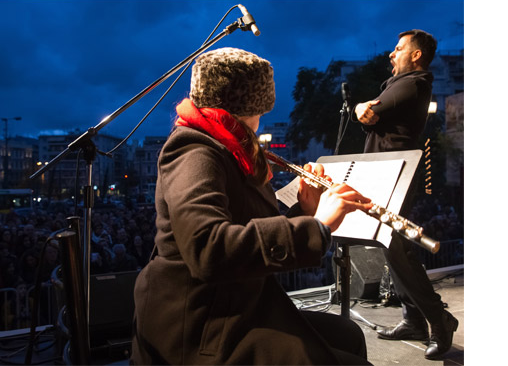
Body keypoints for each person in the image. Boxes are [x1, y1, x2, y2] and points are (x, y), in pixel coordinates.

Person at [131, 47, 374, 365]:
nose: (260, 124)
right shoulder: (193, 149)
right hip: (200, 321)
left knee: (348, 334)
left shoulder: (229, 149)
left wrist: (306, 210)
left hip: (237, 303)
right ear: (250, 107)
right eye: (261, 112)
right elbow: (208, 248)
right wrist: (318, 226)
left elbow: (248, 225)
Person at [354, 29, 458, 360]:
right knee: (390, 245)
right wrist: (362, 109)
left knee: (397, 246)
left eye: (399, 48)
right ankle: (413, 320)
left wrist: (361, 107)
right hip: (386, 171)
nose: (391, 53)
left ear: (415, 54)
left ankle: (438, 318)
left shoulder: (413, 83)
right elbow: (369, 113)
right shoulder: (399, 84)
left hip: (396, 172)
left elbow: (370, 111)